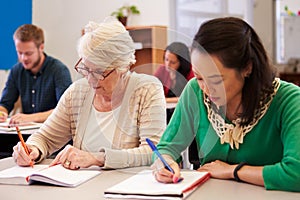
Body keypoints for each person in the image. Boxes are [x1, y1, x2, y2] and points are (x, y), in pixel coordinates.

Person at [151, 17, 300, 192]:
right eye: (199, 78)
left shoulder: (289, 99)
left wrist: (232, 171)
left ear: (247, 68)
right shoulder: (194, 91)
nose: (206, 89)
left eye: (216, 80)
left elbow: (295, 173)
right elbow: (166, 147)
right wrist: (164, 163)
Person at [12, 18, 166, 170]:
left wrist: (97, 158)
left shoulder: (147, 90)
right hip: (81, 188)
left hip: (126, 188)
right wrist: (32, 149)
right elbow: (45, 137)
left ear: (123, 67)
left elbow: (153, 152)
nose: (91, 80)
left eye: (99, 72)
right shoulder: (77, 92)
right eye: (86, 69)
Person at [0, 24, 72, 124]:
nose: (23, 58)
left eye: (28, 53)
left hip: (53, 132)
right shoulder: (16, 70)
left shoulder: (59, 70)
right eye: (19, 53)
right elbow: (5, 103)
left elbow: (65, 110)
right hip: (26, 132)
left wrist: (30, 118)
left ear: (41, 47)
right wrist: (2, 113)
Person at [154, 42, 194, 121]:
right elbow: (151, 89)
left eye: (172, 62)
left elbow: (191, 97)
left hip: (185, 114)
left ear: (182, 63)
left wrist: (166, 100)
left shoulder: (191, 72)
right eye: (166, 59)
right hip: (166, 112)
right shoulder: (162, 70)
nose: (167, 65)